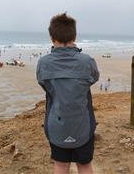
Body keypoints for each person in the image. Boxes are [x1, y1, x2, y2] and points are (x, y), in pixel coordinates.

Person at [36, 13, 99, 174]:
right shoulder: (87, 61)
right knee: (84, 165)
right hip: (83, 125)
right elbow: (94, 78)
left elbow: (43, 83)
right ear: (74, 35)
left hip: (56, 125)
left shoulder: (43, 63)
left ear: (52, 37)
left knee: (61, 165)